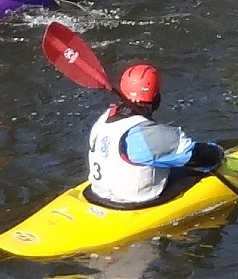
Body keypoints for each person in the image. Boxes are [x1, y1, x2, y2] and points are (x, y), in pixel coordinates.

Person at [85, 63, 225, 208]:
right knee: (200, 168)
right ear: (156, 99)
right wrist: (217, 153)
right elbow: (192, 154)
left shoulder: (103, 119)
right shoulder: (148, 135)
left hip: (99, 192)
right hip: (135, 201)